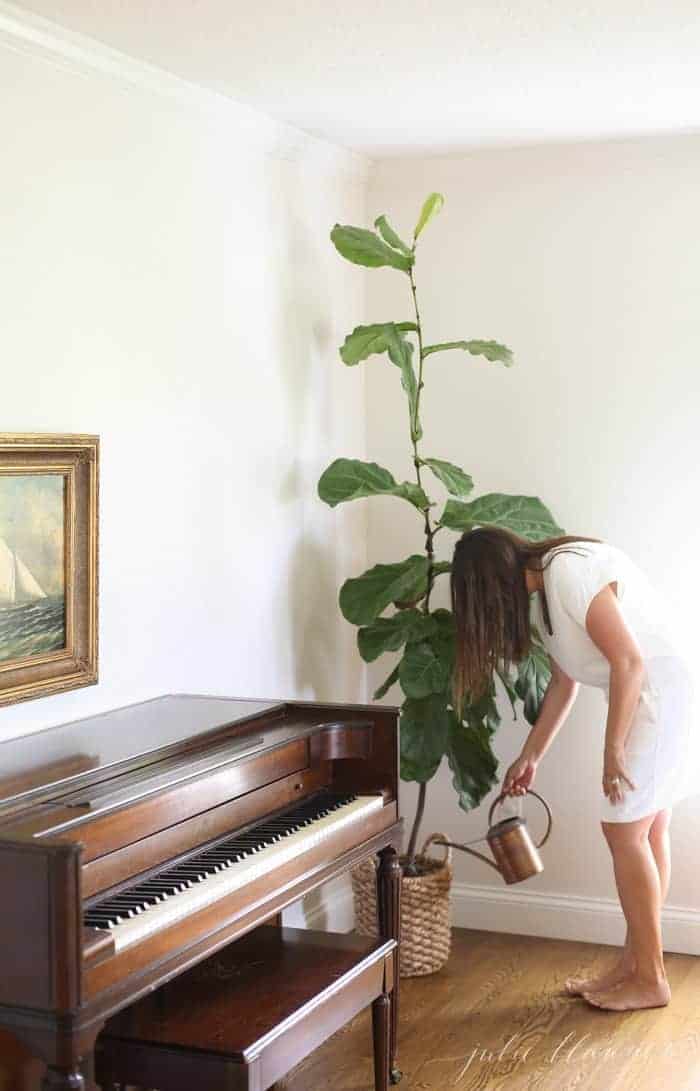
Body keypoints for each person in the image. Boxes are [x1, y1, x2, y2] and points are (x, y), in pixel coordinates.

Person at [450, 526, 698, 1012]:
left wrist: (613, 750)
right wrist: (531, 755)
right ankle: (635, 963)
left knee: (624, 829)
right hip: (655, 694)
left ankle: (650, 976)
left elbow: (628, 661)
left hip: (661, 695)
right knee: (646, 829)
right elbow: (565, 684)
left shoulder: (568, 570)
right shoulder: (544, 597)